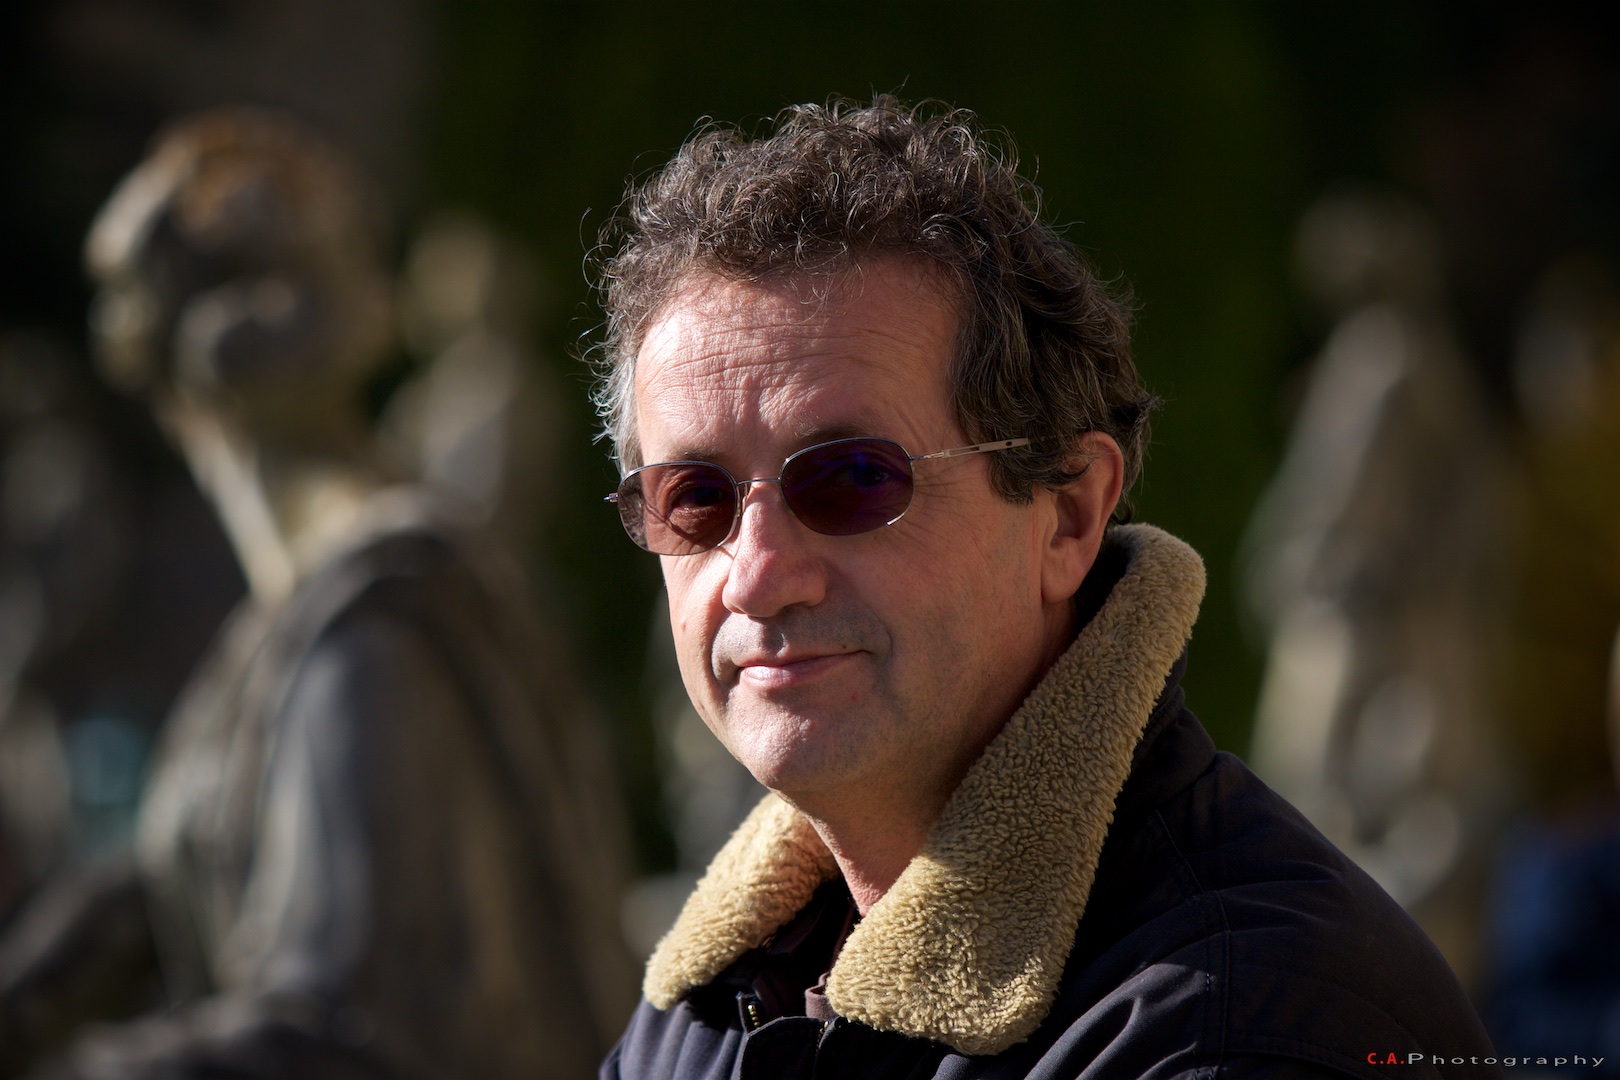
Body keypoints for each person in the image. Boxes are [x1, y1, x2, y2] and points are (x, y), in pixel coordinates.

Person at [590, 98, 1498, 1079]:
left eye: (852, 478)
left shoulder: (1243, 1028)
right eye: (696, 498)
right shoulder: (702, 1004)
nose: (760, 575)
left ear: (1067, 515)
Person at [0, 108, 637, 1080]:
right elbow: (148, 894)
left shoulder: (370, 625)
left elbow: (339, 1032)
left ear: (157, 368)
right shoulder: (318, 620)